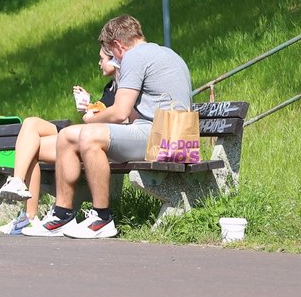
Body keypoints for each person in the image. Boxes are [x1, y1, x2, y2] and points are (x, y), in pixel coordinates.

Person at [21, 14, 191, 238]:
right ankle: (62, 214)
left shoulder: (134, 57)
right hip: (176, 134)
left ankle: (102, 218)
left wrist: (92, 120)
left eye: (113, 53)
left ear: (118, 45)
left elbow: (120, 113)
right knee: (68, 135)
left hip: (168, 138)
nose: (115, 60)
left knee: (90, 135)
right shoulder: (165, 52)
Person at [0, 46, 120, 235]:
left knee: (32, 147)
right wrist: (88, 105)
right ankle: (21, 192)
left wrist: (91, 112)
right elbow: (100, 114)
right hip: (81, 136)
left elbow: (113, 117)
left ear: (114, 59)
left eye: (101, 59)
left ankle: (28, 212)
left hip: (92, 141)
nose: (99, 63)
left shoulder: (125, 86)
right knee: (30, 125)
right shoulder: (110, 87)